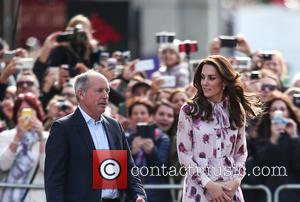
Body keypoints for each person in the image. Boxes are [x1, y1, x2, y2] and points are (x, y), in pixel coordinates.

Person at [44, 70, 146, 202]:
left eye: (107, 91)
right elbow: (54, 180)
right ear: (81, 93)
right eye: (99, 90)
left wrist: (138, 195)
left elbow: (128, 168)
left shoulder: (114, 126)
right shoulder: (63, 128)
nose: (105, 96)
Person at [177, 55, 261, 202]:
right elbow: (184, 155)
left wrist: (236, 181)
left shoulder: (236, 109)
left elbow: (241, 154)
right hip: (198, 189)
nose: (205, 83)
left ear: (224, 81)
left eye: (211, 78)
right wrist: (209, 185)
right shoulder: (189, 110)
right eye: (202, 77)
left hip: (229, 190)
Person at [0, 92, 47, 202]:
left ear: (37, 112)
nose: (26, 115)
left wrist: (41, 137)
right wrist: (17, 138)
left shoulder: (48, 137)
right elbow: (3, 165)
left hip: (36, 198)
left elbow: (46, 167)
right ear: (16, 114)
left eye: (30, 110)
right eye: (21, 111)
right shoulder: (6, 136)